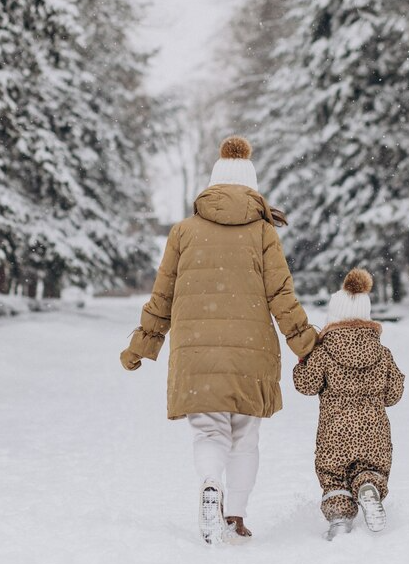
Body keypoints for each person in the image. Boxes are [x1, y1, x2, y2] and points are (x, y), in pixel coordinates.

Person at [120, 136, 317, 545]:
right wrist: (308, 345)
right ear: (252, 187)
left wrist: (141, 345)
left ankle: (211, 483)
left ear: (211, 186)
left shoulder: (183, 232)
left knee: (209, 433)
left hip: (197, 354)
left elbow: (163, 296)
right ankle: (235, 515)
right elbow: (282, 296)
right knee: (245, 436)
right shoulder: (263, 233)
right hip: (252, 355)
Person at [292, 268, 405, 540]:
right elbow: (394, 394)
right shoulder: (382, 352)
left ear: (333, 317)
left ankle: (340, 519)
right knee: (371, 469)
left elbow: (306, 385)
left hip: (335, 433)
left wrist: (302, 363)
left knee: (334, 476)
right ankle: (368, 486)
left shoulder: (323, 352)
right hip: (374, 431)